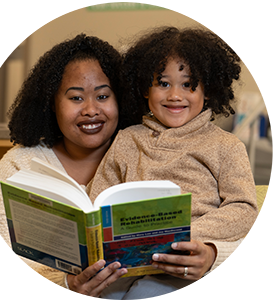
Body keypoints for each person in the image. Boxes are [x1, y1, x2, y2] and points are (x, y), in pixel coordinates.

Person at [87, 26, 258, 299]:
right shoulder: (127, 139)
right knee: (102, 293)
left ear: (209, 90)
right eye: (163, 83)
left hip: (183, 256)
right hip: (128, 256)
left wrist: (184, 235)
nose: (175, 95)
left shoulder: (225, 145)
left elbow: (243, 207)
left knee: (148, 295)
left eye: (189, 84)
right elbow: (99, 197)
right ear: (145, 88)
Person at [0, 33, 130, 299]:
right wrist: (64, 286)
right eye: (75, 98)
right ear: (52, 104)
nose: (91, 110)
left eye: (103, 96)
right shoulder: (20, 165)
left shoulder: (147, 157)